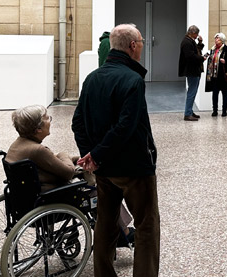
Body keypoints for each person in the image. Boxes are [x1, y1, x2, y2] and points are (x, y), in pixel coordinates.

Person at [72, 23, 174, 277]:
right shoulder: (132, 80)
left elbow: (77, 123)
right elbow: (126, 127)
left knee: (104, 226)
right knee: (146, 225)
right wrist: (98, 153)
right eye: (141, 42)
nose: (142, 46)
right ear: (132, 46)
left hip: (104, 170)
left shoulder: (92, 79)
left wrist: (91, 155)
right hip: (133, 168)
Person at [8, 104, 134, 246]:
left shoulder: (18, 145)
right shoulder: (38, 150)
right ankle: (123, 233)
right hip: (49, 198)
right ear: (38, 129)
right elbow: (68, 172)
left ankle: (119, 229)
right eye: (47, 118)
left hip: (26, 199)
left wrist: (75, 159)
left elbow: (49, 162)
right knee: (99, 192)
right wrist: (64, 155)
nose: (50, 120)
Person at [178, 25, 206, 122]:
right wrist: (202, 58)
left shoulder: (189, 41)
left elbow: (196, 50)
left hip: (194, 70)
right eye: (196, 34)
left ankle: (190, 111)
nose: (197, 35)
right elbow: (191, 56)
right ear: (193, 33)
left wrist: (200, 42)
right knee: (191, 92)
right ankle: (187, 114)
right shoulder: (186, 42)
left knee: (193, 92)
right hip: (192, 70)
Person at [204, 32, 227, 117]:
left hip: (223, 76)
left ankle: (224, 111)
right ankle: (215, 111)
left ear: (222, 40)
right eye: (215, 38)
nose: (216, 40)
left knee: (225, 93)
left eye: (217, 38)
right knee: (215, 94)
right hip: (214, 76)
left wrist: (225, 61)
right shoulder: (213, 49)